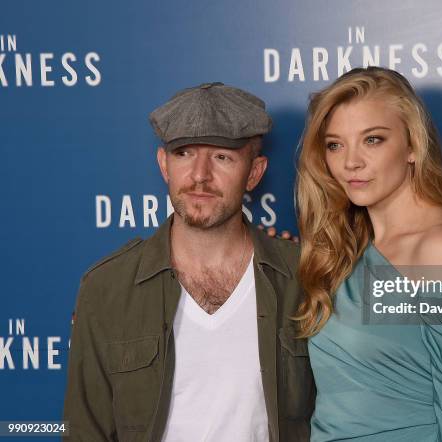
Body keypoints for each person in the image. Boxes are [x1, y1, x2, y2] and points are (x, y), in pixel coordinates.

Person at [63, 82, 315, 442]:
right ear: (164, 165)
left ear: (255, 173)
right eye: (184, 154)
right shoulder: (106, 288)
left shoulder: (303, 278)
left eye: (222, 157)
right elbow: (83, 432)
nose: (200, 175)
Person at [295, 67, 442, 441]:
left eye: (372, 140)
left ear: (412, 146)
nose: (351, 162)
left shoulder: (441, 248)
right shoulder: (348, 246)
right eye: (335, 144)